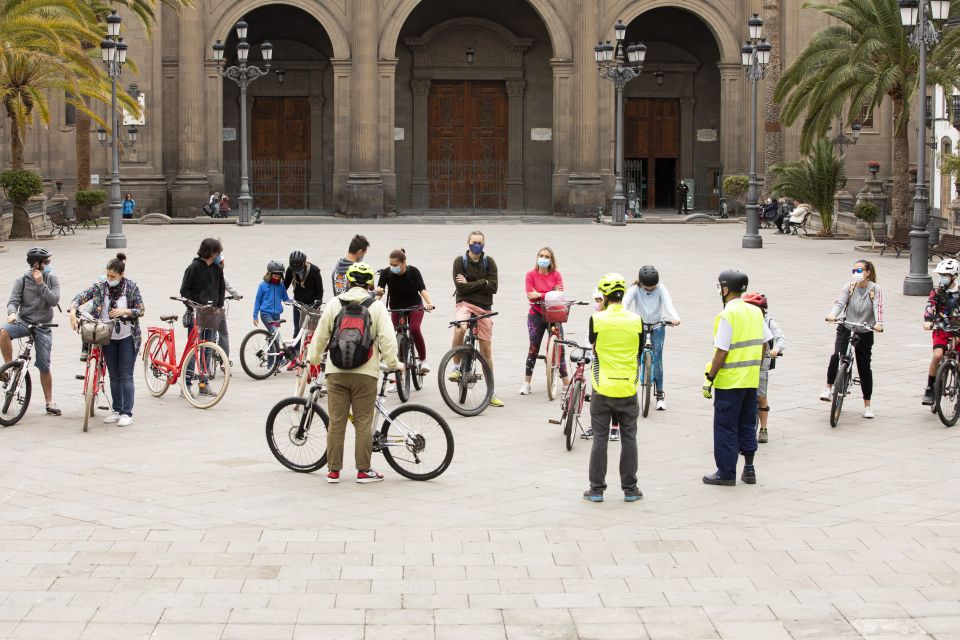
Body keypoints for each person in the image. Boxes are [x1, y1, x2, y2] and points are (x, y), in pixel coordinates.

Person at [308, 262, 401, 484]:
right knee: (363, 423)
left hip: (336, 372)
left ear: (348, 281)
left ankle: (333, 471)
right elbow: (388, 339)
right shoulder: (377, 307)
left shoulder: (334, 304)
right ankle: (363, 471)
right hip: (366, 373)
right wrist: (394, 363)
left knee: (336, 422)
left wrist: (313, 359)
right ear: (370, 283)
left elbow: (320, 335)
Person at [702, 270, 772, 486]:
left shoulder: (726, 315)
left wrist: (710, 377)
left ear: (725, 289)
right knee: (746, 424)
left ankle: (726, 473)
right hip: (750, 381)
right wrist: (757, 369)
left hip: (730, 382)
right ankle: (749, 469)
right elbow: (765, 343)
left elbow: (721, 351)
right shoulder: (754, 312)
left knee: (725, 427)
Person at [583, 273, 644, 503]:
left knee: (600, 438)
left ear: (605, 296)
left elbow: (594, 345)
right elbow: (638, 351)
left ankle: (596, 490)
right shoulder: (636, 320)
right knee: (629, 438)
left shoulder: (596, 319)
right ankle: (630, 489)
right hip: (628, 387)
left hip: (602, 387)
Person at [68, 254, 145, 427]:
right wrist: (72, 312)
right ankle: (116, 410)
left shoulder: (131, 287)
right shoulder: (100, 287)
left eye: (113, 277)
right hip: (107, 336)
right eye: (108, 275)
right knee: (114, 375)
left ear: (121, 275)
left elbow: (141, 310)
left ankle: (127, 413)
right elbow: (79, 297)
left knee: (126, 375)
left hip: (127, 337)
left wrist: (124, 311)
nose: (109, 279)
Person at [1, 247, 62, 416]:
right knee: (3, 332)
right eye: (46, 262)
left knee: (44, 365)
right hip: (23, 321)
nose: (49, 265)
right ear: (37, 264)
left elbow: (53, 300)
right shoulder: (21, 280)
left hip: (44, 326)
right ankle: (9, 368)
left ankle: (49, 402)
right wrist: (12, 314)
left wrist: (41, 283)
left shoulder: (52, 279)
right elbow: (13, 301)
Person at [821, 259, 883, 417]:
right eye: (854, 271)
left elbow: (878, 307)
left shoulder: (875, 289)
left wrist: (879, 323)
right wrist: (832, 315)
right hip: (847, 326)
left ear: (868, 272)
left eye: (860, 271)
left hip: (865, 329)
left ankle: (867, 406)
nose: (856, 274)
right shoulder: (849, 287)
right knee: (837, 355)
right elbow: (839, 303)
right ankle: (828, 388)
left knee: (864, 367)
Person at [450, 230, 502, 407]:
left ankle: (491, 391)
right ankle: (456, 368)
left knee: (486, 350)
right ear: (468, 243)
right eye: (474, 242)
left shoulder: (489, 262)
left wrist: (473, 284)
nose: (477, 245)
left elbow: (494, 287)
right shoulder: (460, 262)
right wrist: (483, 283)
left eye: (480, 242)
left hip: (484, 308)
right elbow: (461, 289)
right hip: (464, 304)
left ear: (484, 244)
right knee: (460, 328)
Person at [623, 265, 680, 411]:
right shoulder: (635, 289)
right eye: (647, 287)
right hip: (639, 325)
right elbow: (625, 303)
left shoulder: (661, 288)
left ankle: (660, 395)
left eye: (653, 287)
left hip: (657, 325)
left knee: (658, 358)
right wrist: (622, 316)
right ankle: (630, 392)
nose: (650, 290)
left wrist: (674, 317)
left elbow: (668, 303)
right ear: (641, 283)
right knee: (635, 358)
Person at [376, 249, 435, 374]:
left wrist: (429, 303)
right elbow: (380, 290)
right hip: (396, 307)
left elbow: (422, 289)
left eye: (395, 265)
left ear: (404, 263)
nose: (392, 267)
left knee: (414, 329)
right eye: (391, 264)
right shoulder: (386, 273)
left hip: (414, 306)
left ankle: (423, 360)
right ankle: (399, 373)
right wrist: (375, 301)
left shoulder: (413, 271)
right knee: (396, 335)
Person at [180, 238, 226, 394]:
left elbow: (221, 288)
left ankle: (203, 384)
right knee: (193, 349)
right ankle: (186, 384)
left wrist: (218, 306)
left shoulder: (217, 269)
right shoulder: (193, 267)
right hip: (197, 312)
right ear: (210, 251)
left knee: (207, 349)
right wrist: (193, 305)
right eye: (216, 251)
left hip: (212, 312)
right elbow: (184, 290)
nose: (218, 254)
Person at [520, 247, 568, 396]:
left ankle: (566, 382)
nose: (543, 258)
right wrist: (549, 293)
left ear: (551, 260)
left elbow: (559, 295)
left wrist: (539, 294)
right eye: (541, 255)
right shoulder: (530, 275)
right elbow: (530, 295)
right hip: (536, 313)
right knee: (533, 347)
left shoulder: (556, 275)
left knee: (560, 346)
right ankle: (527, 383)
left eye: (547, 256)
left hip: (554, 313)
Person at [743, 292, 786, 444]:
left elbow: (780, 338)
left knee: (761, 397)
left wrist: (777, 349)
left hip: (761, 365)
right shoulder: (743, 320)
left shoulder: (768, 322)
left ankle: (763, 429)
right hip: (745, 363)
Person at [921, 259, 960, 405]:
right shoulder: (937, 291)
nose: (942, 277)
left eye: (946, 275)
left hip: (958, 330)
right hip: (941, 328)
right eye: (941, 274)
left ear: (954, 276)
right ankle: (930, 388)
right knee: (937, 356)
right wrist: (928, 319)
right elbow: (930, 305)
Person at [284, 250, 324, 368]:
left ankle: (313, 357)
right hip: (298, 304)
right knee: (298, 330)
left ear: (304, 263)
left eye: (299, 268)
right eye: (294, 269)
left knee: (312, 332)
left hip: (312, 305)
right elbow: (285, 285)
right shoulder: (291, 270)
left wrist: (317, 304)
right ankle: (294, 358)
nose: (297, 271)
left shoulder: (314, 271)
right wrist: (281, 297)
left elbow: (320, 290)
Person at [253, 261, 290, 369]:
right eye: (274, 275)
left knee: (272, 339)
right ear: (269, 274)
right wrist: (255, 316)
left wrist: (295, 302)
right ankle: (273, 364)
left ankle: (274, 364)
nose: (277, 277)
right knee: (275, 336)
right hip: (266, 314)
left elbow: (286, 299)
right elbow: (257, 301)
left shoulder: (281, 286)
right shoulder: (263, 286)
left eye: (279, 275)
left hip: (276, 316)